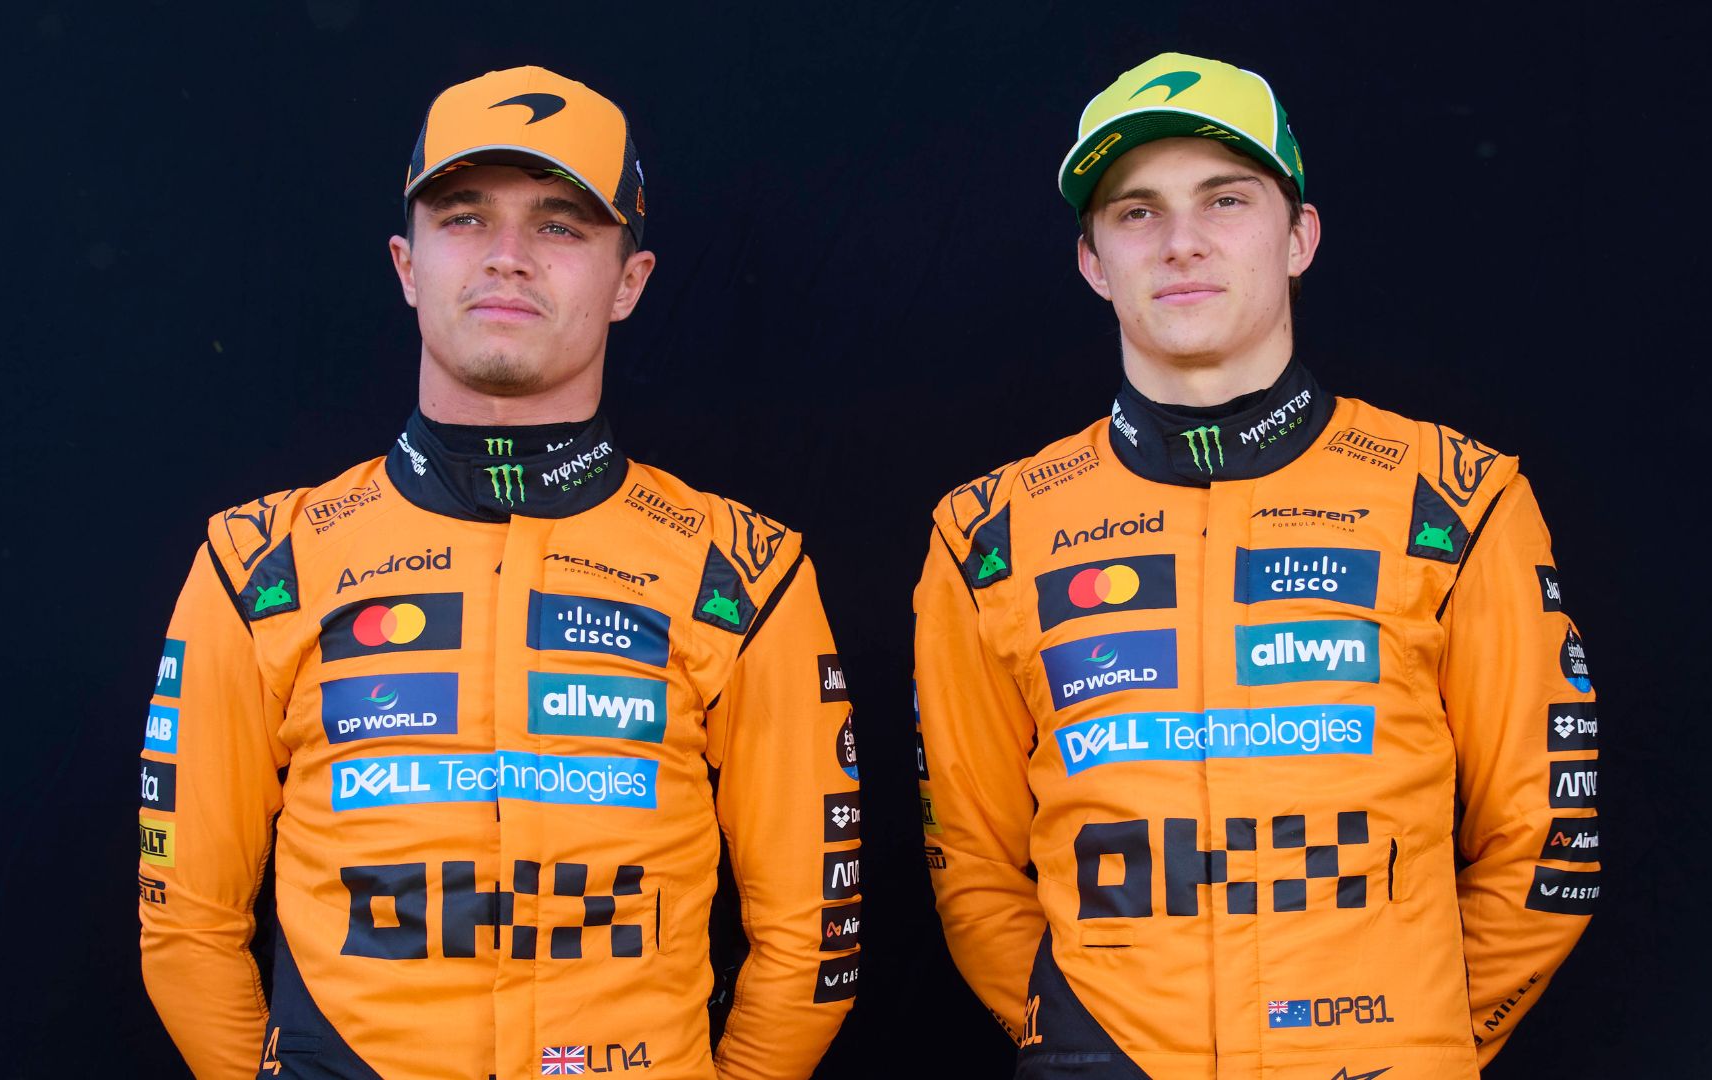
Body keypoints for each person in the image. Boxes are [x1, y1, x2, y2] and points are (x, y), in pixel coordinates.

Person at [139, 65, 861, 1079]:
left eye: (561, 225)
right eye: (466, 219)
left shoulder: (744, 570)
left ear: (631, 281)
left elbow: (811, 934)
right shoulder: (260, 562)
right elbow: (186, 926)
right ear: (406, 263)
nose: (509, 258)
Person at [914, 52, 1597, 1078]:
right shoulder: (987, 532)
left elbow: (1545, 841)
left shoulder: (1456, 498)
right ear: (1094, 261)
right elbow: (970, 859)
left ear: (1300, 237)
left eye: (1225, 199)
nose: (1181, 242)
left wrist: (1415, 1035)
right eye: (1135, 212)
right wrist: (1076, 1040)